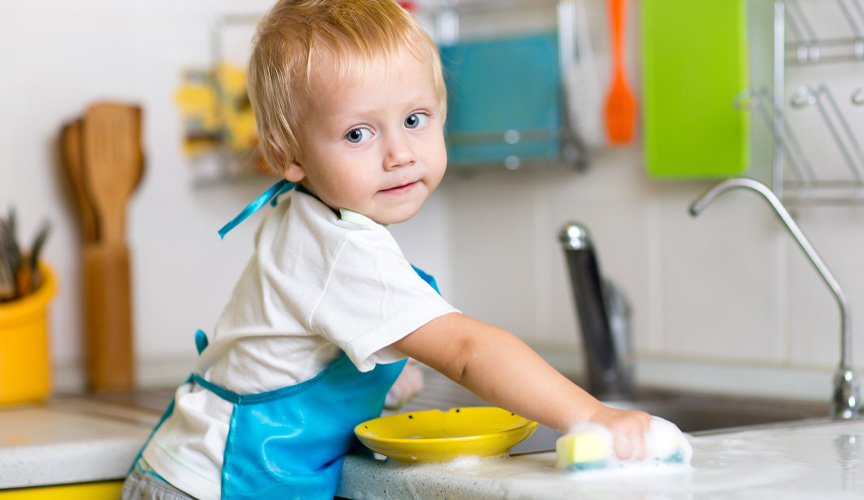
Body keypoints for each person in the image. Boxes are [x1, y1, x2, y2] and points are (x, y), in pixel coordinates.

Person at [121, 0, 651, 498]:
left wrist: (382, 379)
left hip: (183, 471)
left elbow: (289, 344)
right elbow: (468, 353)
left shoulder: (307, 215)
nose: (399, 153)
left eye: (415, 120)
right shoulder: (341, 250)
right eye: (357, 134)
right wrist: (594, 417)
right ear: (290, 154)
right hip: (216, 484)